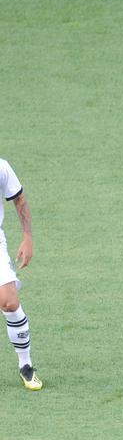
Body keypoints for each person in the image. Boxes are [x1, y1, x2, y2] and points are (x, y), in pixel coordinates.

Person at [0, 158, 40, 390]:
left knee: (9, 302)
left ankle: (26, 365)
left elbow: (19, 199)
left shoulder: (2, 167)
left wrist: (27, 237)